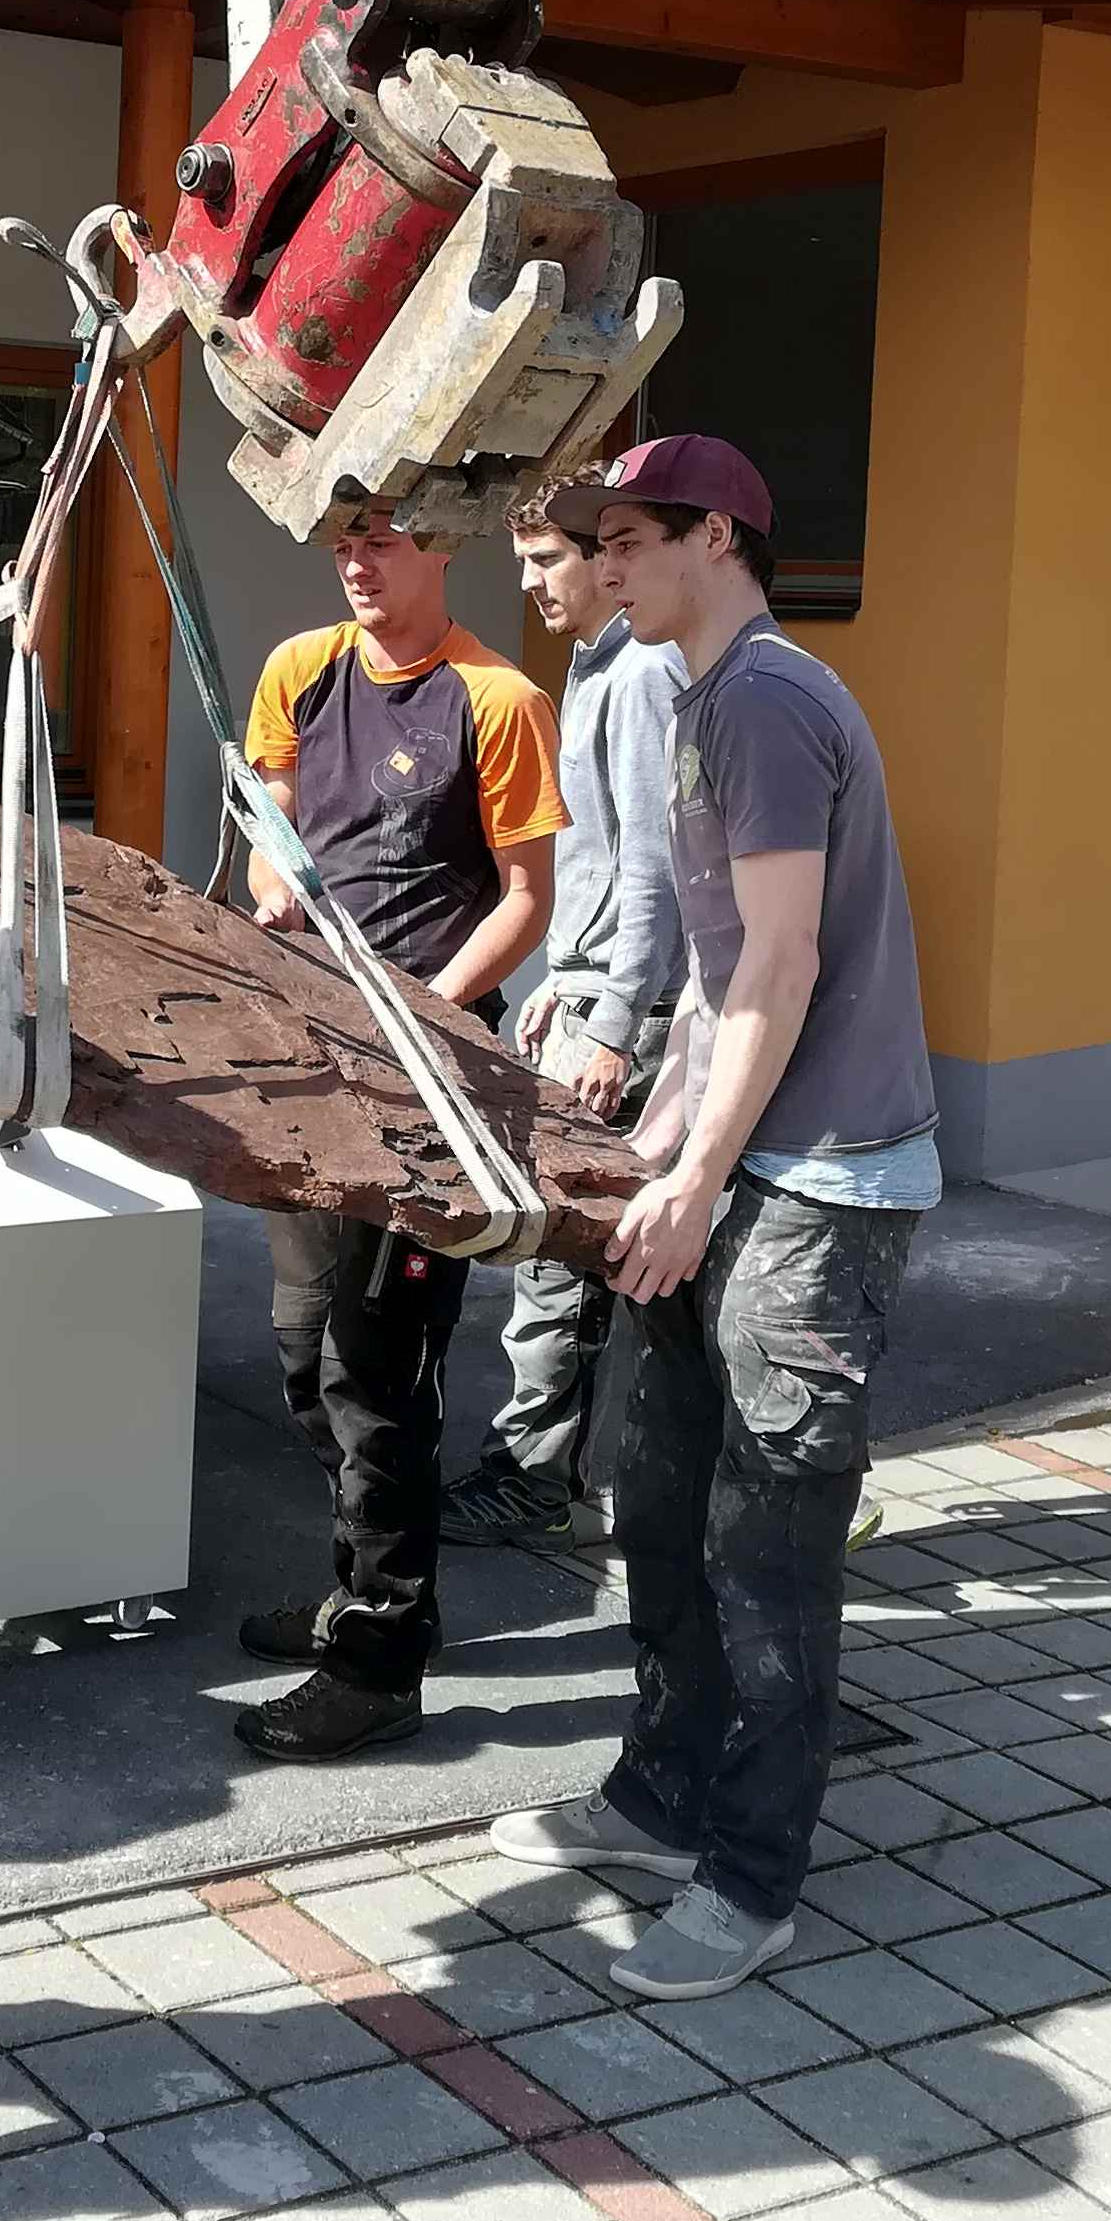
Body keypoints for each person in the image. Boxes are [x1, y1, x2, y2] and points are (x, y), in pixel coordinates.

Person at [488, 436, 939, 2003]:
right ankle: (659, 1794)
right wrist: (656, 1153)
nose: (599, 569)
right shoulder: (691, 698)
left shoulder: (759, 698)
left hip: (820, 1187)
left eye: (621, 540)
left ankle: (754, 1879)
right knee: (661, 1505)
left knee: (766, 1546)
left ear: (713, 536)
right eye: (593, 544)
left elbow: (784, 966)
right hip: (735, 1162)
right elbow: (702, 973)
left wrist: (691, 1178)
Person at [234, 504, 565, 1760]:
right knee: (302, 1349)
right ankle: (357, 1581)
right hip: (303, 1061)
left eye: (382, 541)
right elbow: (272, 823)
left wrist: (422, 1019)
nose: (358, 565)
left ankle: (379, 1654)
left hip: (425, 1086)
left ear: (441, 550)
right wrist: (274, 893)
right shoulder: (298, 670)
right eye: (343, 547)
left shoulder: (496, 700)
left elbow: (527, 897)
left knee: (377, 1378)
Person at [441, 492, 686, 1551]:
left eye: (549, 559)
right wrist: (562, 975)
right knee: (597, 1258)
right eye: (524, 561)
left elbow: (655, 872)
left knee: (567, 1259)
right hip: (591, 991)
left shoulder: (634, 674)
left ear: (606, 562)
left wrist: (612, 1019)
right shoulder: (591, 663)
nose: (532, 583)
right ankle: (572, 1473)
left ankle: (535, 1479)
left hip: (629, 1015)